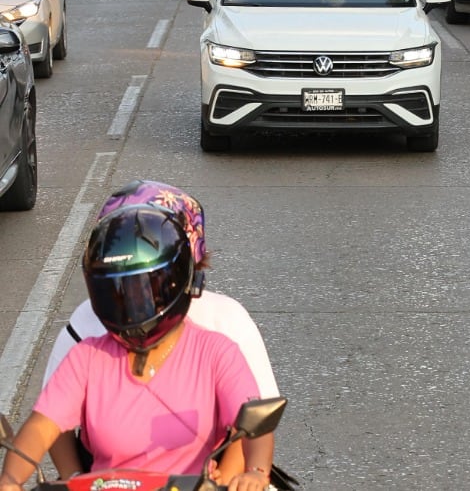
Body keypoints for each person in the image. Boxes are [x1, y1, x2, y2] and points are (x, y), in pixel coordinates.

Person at [0, 205, 275, 491]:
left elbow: (255, 420)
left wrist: (256, 472)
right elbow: (41, 427)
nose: (129, 308)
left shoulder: (217, 353)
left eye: (143, 293)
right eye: (116, 295)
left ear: (175, 283)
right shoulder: (86, 358)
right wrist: (10, 479)